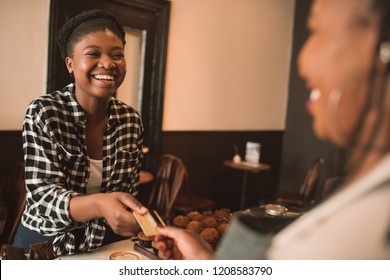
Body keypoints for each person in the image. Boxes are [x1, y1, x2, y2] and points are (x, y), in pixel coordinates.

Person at [155, 0, 390, 259]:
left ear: (384, 51)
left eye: (318, 31)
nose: (303, 61)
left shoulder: (366, 231)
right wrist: (203, 260)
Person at [13, 9, 148, 256]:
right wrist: (101, 204)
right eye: (93, 54)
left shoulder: (131, 121)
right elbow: (44, 199)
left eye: (117, 55)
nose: (108, 63)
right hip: (44, 245)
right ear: (70, 63)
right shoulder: (44, 112)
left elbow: (127, 192)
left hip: (102, 243)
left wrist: (131, 218)